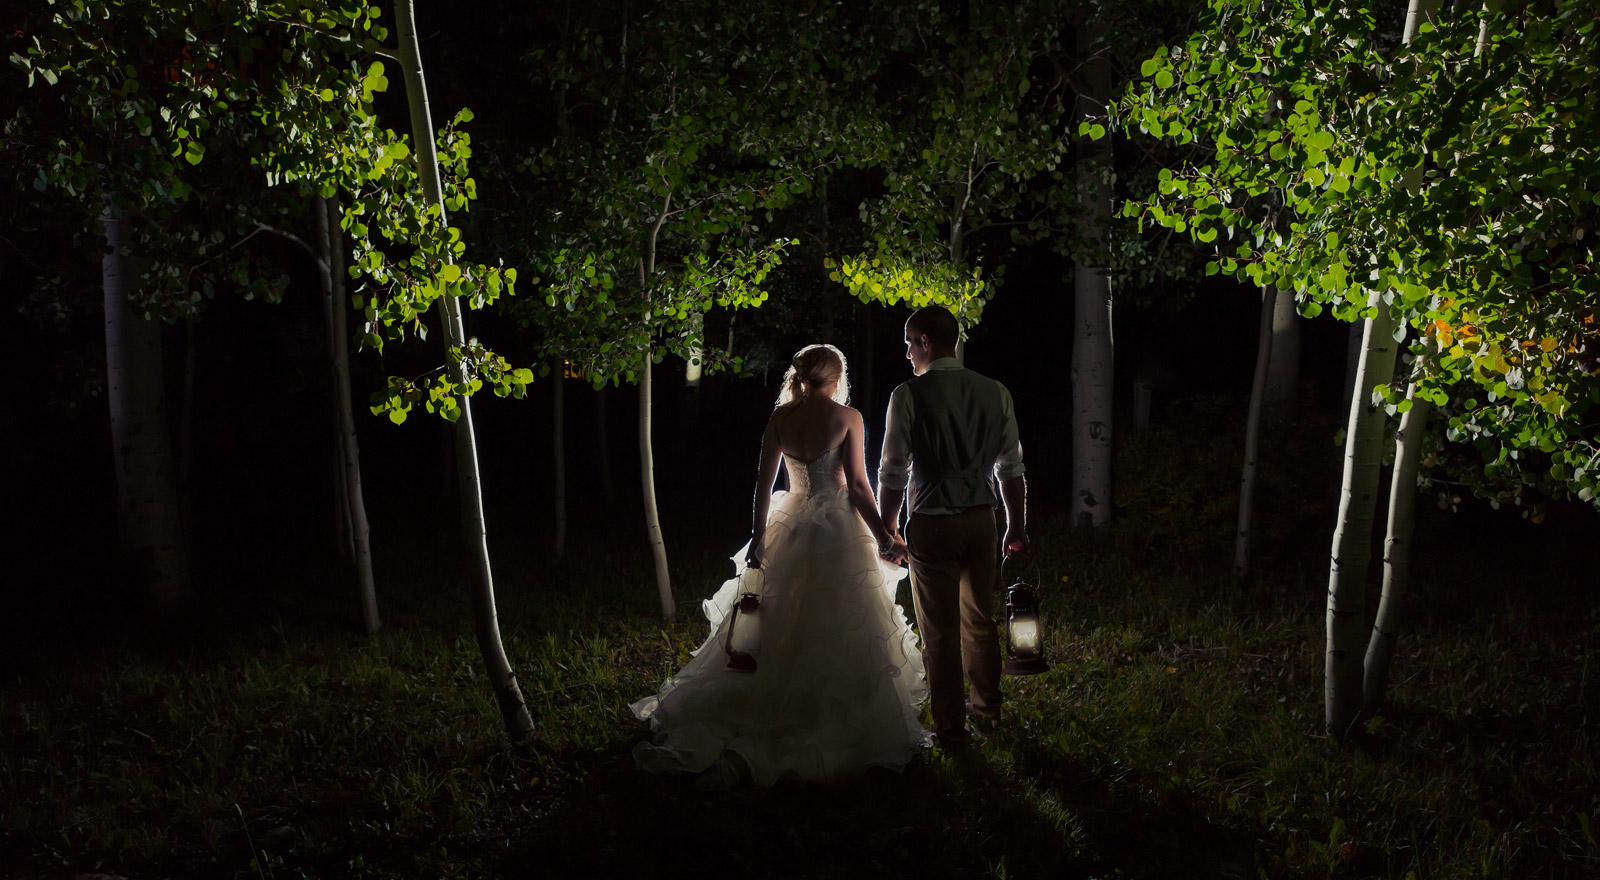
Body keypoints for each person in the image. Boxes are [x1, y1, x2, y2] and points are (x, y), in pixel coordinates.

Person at [630, 344, 930, 788]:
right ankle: (827, 711)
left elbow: (763, 486)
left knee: (779, 619)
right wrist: (886, 537)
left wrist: (758, 539)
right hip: (837, 528)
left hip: (788, 522)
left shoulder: (780, 420)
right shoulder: (848, 418)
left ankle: (768, 702)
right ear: (836, 377)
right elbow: (860, 487)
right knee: (841, 619)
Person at [876, 305, 1029, 747]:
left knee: (940, 632)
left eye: (909, 342)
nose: (906, 352)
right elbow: (1012, 469)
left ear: (926, 341)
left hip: (931, 523)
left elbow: (892, 471)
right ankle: (988, 709)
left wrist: (888, 528)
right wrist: (1015, 527)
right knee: (980, 621)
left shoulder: (907, 396)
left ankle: (950, 727)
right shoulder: (994, 391)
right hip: (982, 520)